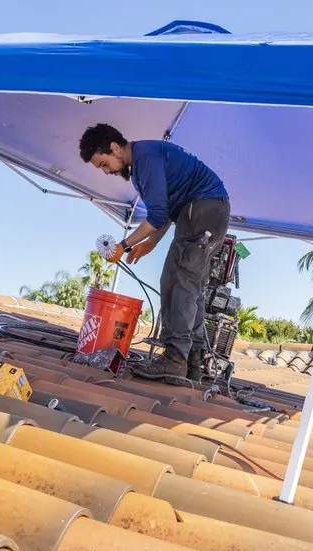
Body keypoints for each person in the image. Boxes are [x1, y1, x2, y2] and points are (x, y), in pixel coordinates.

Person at [78, 123, 230, 382]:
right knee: (190, 286)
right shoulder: (141, 162)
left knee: (177, 282)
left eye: (104, 164)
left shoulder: (145, 158)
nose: (106, 172)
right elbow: (166, 212)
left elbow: (158, 214)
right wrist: (151, 243)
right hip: (206, 212)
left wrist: (123, 246)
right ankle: (192, 361)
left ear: (114, 148)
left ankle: (175, 359)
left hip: (202, 210)